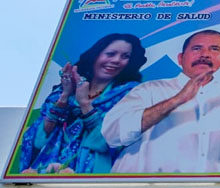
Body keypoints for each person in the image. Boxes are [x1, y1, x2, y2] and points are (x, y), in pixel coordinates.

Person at [102, 30, 220, 173]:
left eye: (214, 49)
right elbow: (112, 133)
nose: (205, 54)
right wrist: (177, 99)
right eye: (197, 49)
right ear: (180, 58)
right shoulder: (150, 89)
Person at [19, 33, 147, 174]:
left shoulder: (130, 93)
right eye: (110, 54)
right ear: (95, 55)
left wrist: (85, 104)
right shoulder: (61, 92)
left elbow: (107, 141)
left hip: (92, 176)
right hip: (46, 173)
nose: (117, 60)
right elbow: (37, 141)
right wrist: (64, 98)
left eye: (125, 56)